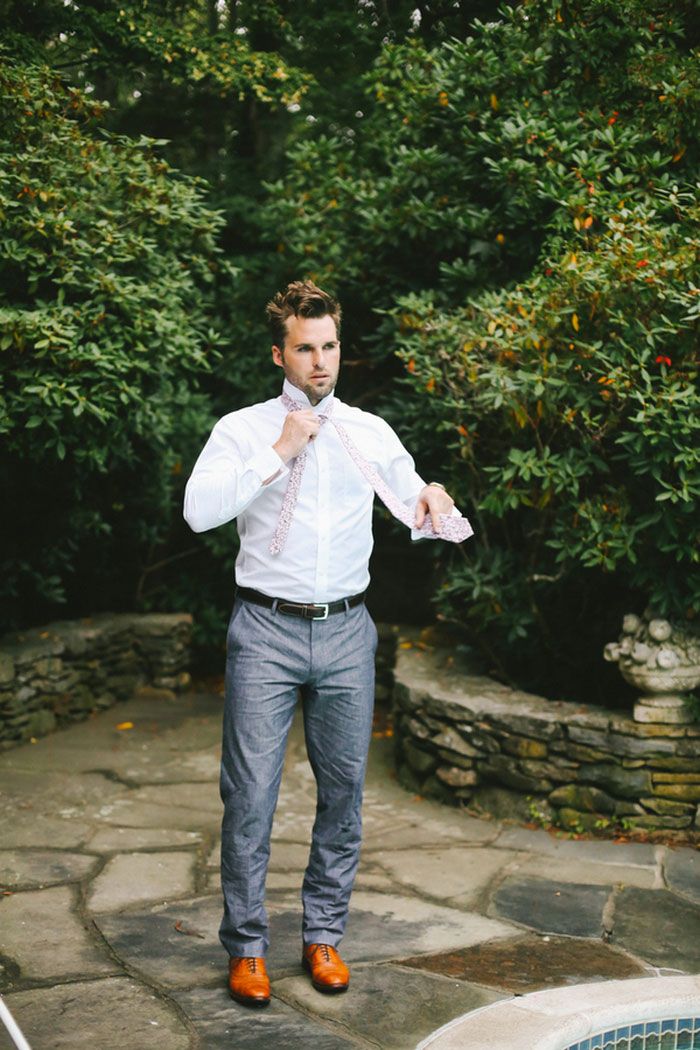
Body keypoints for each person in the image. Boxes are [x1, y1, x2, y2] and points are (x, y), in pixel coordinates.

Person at [183, 280, 471, 1007]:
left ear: (342, 348)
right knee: (249, 798)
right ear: (280, 353)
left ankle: (323, 937)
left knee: (342, 797)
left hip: (347, 631)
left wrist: (433, 494)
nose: (320, 361)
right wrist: (279, 450)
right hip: (265, 631)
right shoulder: (242, 429)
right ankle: (247, 949)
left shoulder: (369, 431)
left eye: (330, 346)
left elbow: (418, 505)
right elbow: (197, 513)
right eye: (305, 348)